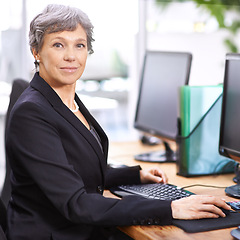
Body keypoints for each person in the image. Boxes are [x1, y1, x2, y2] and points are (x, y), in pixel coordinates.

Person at [5, 4, 231, 240]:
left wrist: (134, 175)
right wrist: (171, 208)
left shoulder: (65, 100)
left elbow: (73, 169)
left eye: (79, 45)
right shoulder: (32, 113)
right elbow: (76, 203)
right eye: (58, 44)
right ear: (36, 51)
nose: (71, 56)